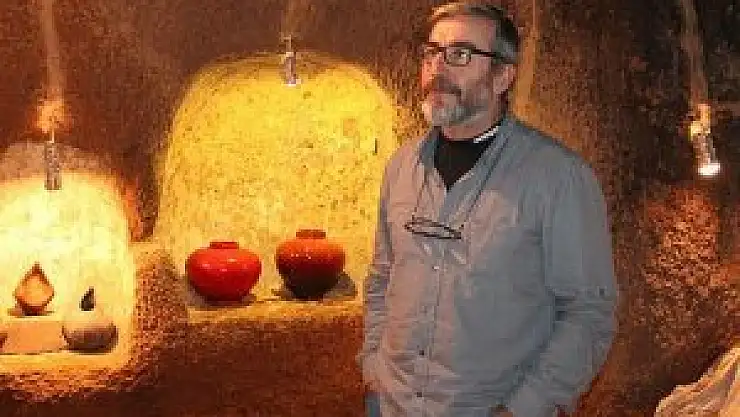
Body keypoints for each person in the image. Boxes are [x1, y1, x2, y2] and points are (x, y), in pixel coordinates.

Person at [359, 2, 618, 417]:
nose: (437, 69)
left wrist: (523, 408)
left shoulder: (558, 178)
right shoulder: (401, 167)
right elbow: (382, 277)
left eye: (460, 54)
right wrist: (373, 367)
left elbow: (588, 313)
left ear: (502, 76)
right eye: (431, 53)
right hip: (390, 404)